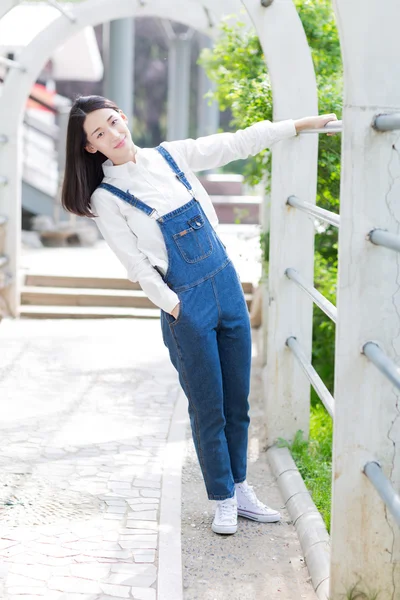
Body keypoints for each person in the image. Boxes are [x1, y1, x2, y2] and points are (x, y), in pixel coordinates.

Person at [62, 95, 337, 535]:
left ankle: (242, 489)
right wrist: (174, 306)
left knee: (238, 401)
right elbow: (135, 265)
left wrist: (299, 124)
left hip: (226, 286)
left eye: (113, 122)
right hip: (184, 303)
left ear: (124, 118)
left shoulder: (172, 155)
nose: (113, 135)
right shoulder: (106, 198)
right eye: (99, 133)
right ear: (90, 148)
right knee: (208, 407)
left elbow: (236, 142)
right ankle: (223, 498)